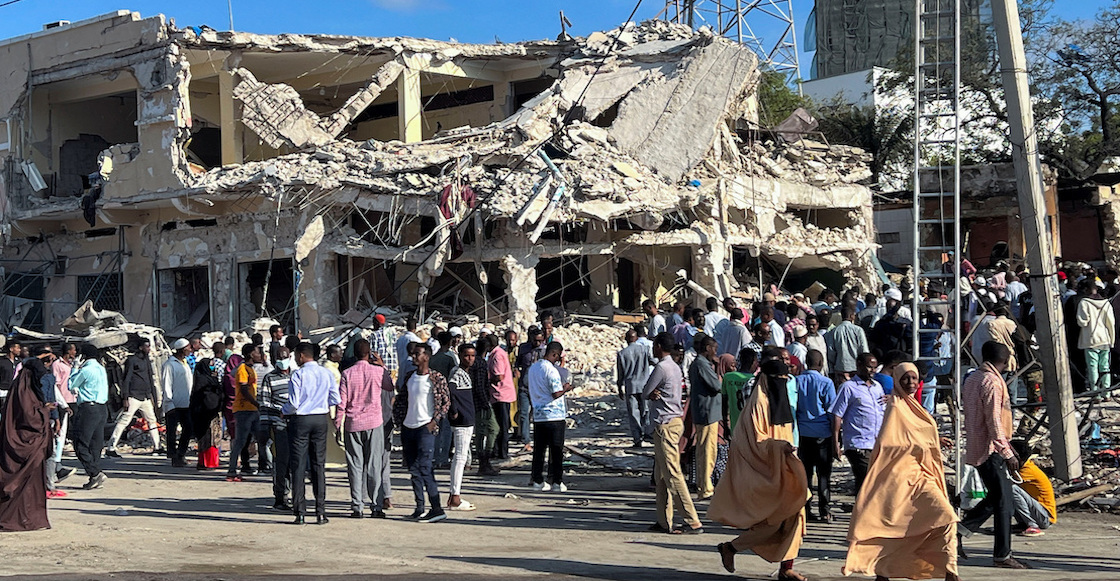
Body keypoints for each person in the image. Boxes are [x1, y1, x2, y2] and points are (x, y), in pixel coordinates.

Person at [842, 363, 961, 581]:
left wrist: (935, 440)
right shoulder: (895, 407)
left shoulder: (915, 407)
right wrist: (921, 445)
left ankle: (950, 570)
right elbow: (889, 444)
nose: (910, 383)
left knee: (944, 518)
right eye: (905, 378)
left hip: (922, 476)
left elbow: (918, 435)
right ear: (897, 380)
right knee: (896, 527)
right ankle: (883, 571)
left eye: (913, 378)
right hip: (900, 478)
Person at [711, 359, 807, 580]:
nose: (780, 385)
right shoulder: (758, 405)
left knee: (796, 516)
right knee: (774, 523)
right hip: (764, 473)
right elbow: (755, 442)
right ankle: (731, 548)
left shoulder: (780, 403)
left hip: (785, 469)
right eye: (777, 380)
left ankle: (786, 567)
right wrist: (779, 447)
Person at [960, 341, 1028, 569]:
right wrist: (1007, 452)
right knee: (1004, 503)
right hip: (991, 449)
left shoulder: (973, 378)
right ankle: (1002, 555)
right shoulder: (992, 382)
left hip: (979, 445)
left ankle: (959, 530)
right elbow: (994, 420)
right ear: (1006, 359)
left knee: (998, 497)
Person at [643, 332, 702, 534]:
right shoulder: (675, 366)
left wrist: (652, 393)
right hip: (675, 421)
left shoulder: (661, 367)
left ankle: (692, 519)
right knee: (661, 475)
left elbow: (646, 391)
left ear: (659, 346)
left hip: (665, 424)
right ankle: (663, 520)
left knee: (672, 473)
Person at [392, 342, 450, 523]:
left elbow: (445, 402)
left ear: (427, 356)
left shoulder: (436, 378)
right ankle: (419, 507)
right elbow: (402, 399)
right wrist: (399, 420)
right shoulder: (410, 376)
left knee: (425, 468)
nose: (414, 357)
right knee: (414, 470)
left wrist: (435, 421)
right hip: (408, 428)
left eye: (418, 354)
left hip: (425, 428)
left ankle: (437, 508)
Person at [336, 339, 393, 519]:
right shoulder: (378, 372)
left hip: (353, 423)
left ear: (354, 354)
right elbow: (390, 386)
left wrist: (337, 424)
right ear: (369, 354)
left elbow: (341, 402)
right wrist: (382, 366)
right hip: (374, 422)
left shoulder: (347, 374)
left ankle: (357, 506)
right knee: (374, 465)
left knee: (355, 465)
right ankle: (376, 505)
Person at [284, 342, 340, 525]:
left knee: (298, 465)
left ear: (301, 355)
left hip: (301, 419)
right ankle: (321, 511)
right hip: (320, 418)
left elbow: (293, 403)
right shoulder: (326, 373)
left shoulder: (298, 374)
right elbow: (335, 398)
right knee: (318, 464)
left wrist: (284, 410)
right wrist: (321, 402)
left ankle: (300, 512)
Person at [0, 347, 52, 531]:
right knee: (24, 484)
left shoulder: (23, 387)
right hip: (26, 443)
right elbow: (30, 418)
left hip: (30, 444)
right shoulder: (25, 391)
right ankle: (19, 519)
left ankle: (31, 519)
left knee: (32, 484)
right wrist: (45, 411)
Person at [829, 353, 885, 497]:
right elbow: (837, 415)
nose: (872, 371)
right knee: (866, 479)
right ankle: (862, 509)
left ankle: (862, 508)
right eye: (869, 367)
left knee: (873, 481)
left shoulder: (877, 387)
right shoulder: (848, 388)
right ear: (859, 365)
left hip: (876, 442)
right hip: (858, 443)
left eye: (874, 368)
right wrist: (835, 443)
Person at [796, 350, 837, 523]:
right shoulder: (826, 383)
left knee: (805, 473)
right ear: (821, 363)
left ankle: (806, 509)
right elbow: (832, 411)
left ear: (806, 363)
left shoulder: (796, 381)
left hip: (802, 434)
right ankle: (825, 510)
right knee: (823, 474)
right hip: (822, 434)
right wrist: (836, 436)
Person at [528, 341, 573, 492]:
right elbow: (556, 393)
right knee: (556, 450)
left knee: (539, 450)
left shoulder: (533, 368)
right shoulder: (551, 370)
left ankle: (537, 480)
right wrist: (566, 388)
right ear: (554, 354)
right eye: (558, 357)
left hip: (539, 415)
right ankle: (557, 482)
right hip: (554, 416)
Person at [107, 340, 162, 457]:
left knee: (152, 420)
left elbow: (150, 379)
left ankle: (157, 447)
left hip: (145, 397)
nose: (149, 349)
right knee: (124, 421)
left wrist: (154, 397)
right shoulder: (132, 360)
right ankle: (111, 447)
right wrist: (125, 398)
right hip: (133, 396)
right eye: (147, 346)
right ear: (141, 347)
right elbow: (126, 379)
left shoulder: (147, 360)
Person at [70, 344, 109, 490]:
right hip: (102, 408)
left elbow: (71, 384)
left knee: (80, 443)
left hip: (88, 408)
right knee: (96, 444)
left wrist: (75, 367)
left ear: (83, 356)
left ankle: (95, 472)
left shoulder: (86, 370)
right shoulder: (101, 369)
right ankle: (94, 476)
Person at [256, 348, 292, 507]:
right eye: (279, 358)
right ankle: (280, 496)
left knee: (294, 462)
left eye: (284, 357)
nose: (282, 360)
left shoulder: (295, 376)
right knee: (280, 462)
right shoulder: (269, 378)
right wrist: (264, 427)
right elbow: (264, 404)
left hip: (295, 426)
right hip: (278, 425)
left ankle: (293, 494)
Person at [689, 335, 722, 500]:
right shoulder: (702, 364)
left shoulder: (699, 364)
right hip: (707, 412)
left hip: (706, 412)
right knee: (707, 451)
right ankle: (705, 487)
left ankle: (704, 485)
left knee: (706, 450)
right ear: (708, 348)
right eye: (714, 349)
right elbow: (716, 386)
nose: (715, 352)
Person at [447, 343, 479, 510]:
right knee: (460, 458)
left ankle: (454, 495)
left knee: (460, 457)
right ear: (459, 355)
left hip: (466, 418)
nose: (470, 359)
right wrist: (454, 411)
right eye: (466, 355)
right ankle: (455, 496)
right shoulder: (457, 373)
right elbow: (450, 391)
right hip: (463, 420)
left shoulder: (465, 373)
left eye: (472, 355)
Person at [227, 344, 262, 481]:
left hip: (252, 409)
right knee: (240, 441)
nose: (260, 355)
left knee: (260, 438)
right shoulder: (242, 369)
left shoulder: (251, 368)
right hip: (243, 409)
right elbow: (243, 390)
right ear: (251, 354)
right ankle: (231, 470)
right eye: (257, 352)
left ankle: (264, 466)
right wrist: (256, 403)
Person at [616, 328, 655, 448]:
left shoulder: (622, 354)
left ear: (626, 339)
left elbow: (620, 373)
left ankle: (637, 438)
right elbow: (653, 361)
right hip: (644, 385)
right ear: (636, 338)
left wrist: (619, 388)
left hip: (631, 386)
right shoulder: (644, 350)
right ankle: (647, 431)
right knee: (646, 410)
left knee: (633, 413)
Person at [1010, 440, 1055, 537]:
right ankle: (1023, 524)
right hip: (1038, 512)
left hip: (1045, 516)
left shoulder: (1027, 470)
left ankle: (1033, 525)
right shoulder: (1023, 468)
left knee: (1012, 489)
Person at [1077, 283, 1115, 396]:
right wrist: (1112, 340)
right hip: (1105, 338)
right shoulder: (1106, 303)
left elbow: (1082, 322)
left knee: (1092, 367)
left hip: (1091, 340)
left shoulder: (1084, 303)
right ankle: (1106, 393)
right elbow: (1111, 323)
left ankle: (1095, 393)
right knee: (1105, 366)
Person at [163, 338, 195, 468]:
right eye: (188, 348)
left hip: (186, 403)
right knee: (172, 432)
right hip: (174, 404)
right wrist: (169, 402)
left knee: (188, 429)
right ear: (182, 349)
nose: (190, 350)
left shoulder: (185, 363)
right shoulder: (170, 365)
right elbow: (166, 384)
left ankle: (181, 453)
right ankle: (174, 457)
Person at [471, 335, 500, 476]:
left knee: (481, 432)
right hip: (481, 403)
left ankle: (484, 460)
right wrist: (485, 403)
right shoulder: (481, 363)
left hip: (476, 402)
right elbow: (479, 386)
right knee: (492, 429)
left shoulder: (475, 362)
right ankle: (485, 459)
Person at [189, 357, 223, 471]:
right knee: (209, 439)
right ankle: (209, 462)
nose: (213, 367)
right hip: (207, 413)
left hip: (205, 413)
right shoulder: (204, 380)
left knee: (207, 438)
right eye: (210, 365)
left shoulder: (205, 379)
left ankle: (203, 462)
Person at [429, 332, 458, 468]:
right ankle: (444, 458)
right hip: (446, 395)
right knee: (446, 429)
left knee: (436, 428)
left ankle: (435, 457)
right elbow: (453, 377)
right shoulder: (450, 358)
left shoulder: (433, 358)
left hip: (434, 395)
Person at [515, 328, 546, 448]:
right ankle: (526, 440)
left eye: (540, 341)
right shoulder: (524, 348)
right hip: (524, 385)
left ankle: (539, 440)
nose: (537, 343)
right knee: (524, 413)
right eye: (535, 340)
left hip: (538, 387)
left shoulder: (544, 350)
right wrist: (517, 369)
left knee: (537, 414)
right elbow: (518, 363)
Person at [826, 306, 870, 385]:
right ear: (852, 316)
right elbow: (864, 350)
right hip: (857, 368)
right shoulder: (858, 330)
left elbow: (831, 352)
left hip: (841, 368)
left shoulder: (834, 331)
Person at [488, 337, 515, 460]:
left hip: (501, 394)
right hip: (499, 394)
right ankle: (498, 450)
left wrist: (487, 379)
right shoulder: (497, 353)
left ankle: (502, 452)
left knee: (501, 425)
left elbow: (499, 376)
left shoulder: (497, 355)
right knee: (500, 424)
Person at [722, 350, 755, 432]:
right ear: (753, 362)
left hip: (734, 425)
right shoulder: (754, 380)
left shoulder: (728, 377)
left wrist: (725, 424)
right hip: (751, 426)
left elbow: (724, 403)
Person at [369, 314, 398, 380]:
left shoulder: (375, 335)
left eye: (374, 323)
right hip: (393, 369)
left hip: (381, 369)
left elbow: (374, 353)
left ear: (377, 323)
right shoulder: (392, 333)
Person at [0, 340, 22, 410]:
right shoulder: (2, 361)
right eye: (17, 348)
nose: (19, 350)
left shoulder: (19, 362)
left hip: (15, 391)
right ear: (11, 349)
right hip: (3, 391)